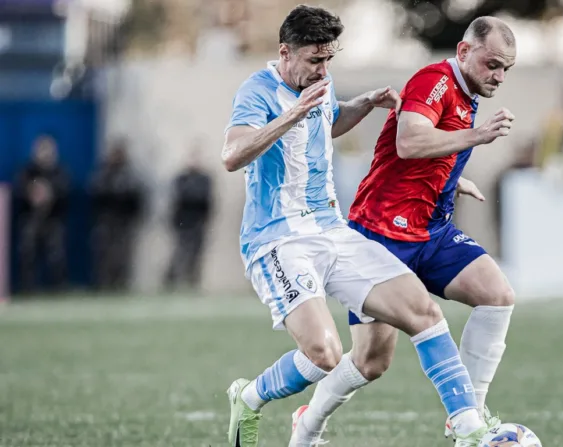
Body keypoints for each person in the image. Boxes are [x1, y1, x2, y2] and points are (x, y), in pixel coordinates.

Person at [222, 6, 490, 447]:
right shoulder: (257, 90)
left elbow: (326, 121)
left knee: (422, 310)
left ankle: (469, 428)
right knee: (325, 355)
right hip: (278, 240)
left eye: (328, 60)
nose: (322, 69)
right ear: (285, 53)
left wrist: (361, 105)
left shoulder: (317, 83)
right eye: (314, 60)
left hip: (333, 231)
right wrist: (291, 113)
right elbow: (232, 156)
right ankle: (248, 397)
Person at [292, 16, 517, 444]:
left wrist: (453, 178)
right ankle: (307, 421)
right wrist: (477, 136)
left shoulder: (468, 89)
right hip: (380, 235)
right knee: (371, 361)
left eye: (506, 68)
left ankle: (467, 416)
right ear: (464, 51)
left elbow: (428, 148)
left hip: (431, 230)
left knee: (498, 295)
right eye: (492, 65)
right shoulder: (435, 80)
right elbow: (410, 142)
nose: (499, 76)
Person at [16, 135, 70, 293]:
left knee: (57, 255)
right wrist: (33, 190)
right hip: (31, 219)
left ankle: (59, 288)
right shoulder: (28, 170)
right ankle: (27, 287)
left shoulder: (59, 171)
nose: (44, 153)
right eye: (41, 149)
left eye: (48, 150)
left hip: (53, 219)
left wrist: (49, 191)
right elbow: (21, 188)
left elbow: (64, 190)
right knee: (27, 253)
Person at [90, 140, 144, 291]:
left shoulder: (130, 174)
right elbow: (97, 194)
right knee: (105, 256)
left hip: (124, 222)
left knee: (123, 256)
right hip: (106, 221)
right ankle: (104, 285)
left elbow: (137, 197)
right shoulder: (103, 172)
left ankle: (121, 285)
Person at [164, 144, 212, 290]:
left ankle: (191, 283)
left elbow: (205, 200)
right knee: (180, 254)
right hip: (183, 223)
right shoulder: (182, 178)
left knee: (196, 256)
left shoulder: (204, 179)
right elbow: (179, 198)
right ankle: (171, 282)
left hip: (198, 223)